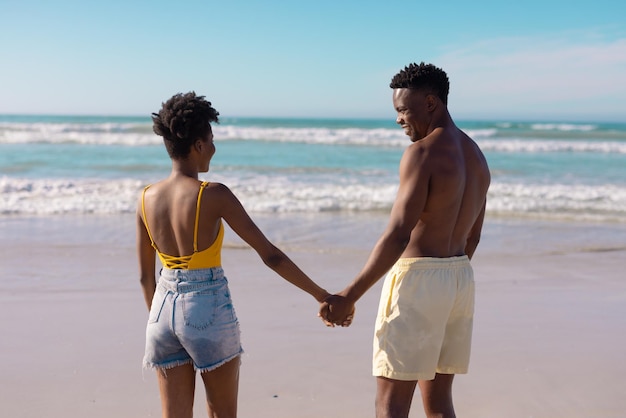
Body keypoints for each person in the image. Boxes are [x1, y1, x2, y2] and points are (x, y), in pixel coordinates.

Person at [136, 92, 331, 418]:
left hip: (159, 315)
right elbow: (271, 255)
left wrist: (160, 318)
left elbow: (145, 276)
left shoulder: (146, 198)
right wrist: (321, 295)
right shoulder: (213, 195)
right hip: (205, 310)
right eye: (211, 140)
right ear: (198, 145)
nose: (214, 147)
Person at [320, 62, 491, 418]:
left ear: (431, 103)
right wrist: (444, 284)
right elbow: (473, 236)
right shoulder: (477, 156)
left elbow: (399, 235)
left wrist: (349, 296)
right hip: (459, 278)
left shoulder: (422, 153)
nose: (398, 119)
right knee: (440, 403)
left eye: (402, 110)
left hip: (417, 282)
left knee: (391, 405)